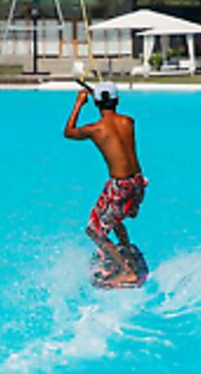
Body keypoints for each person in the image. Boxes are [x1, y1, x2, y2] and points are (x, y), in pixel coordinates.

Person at [64, 82, 148, 287]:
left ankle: (127, 272)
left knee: (94, 231)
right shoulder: (129, 121)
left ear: (96, 103)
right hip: (138, 182)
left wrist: (78, 104)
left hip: (120, 186)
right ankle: (126, 251)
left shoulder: (96, 129)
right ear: (117, 101)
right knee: (114, 217)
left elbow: (69, 132)